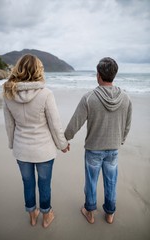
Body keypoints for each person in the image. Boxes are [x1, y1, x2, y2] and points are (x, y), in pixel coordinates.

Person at [3, 54, 70, 228]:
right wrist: (62, 145)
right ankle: (46, 216)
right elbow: (55, 124)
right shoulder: (46, 94)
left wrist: (12, 144)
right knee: (44, 184)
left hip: (21, 149)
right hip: (43, 150)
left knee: (28, 183)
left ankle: (32, 214)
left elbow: (9, 125)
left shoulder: (8, 93)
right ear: (38, 70)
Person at [65, 57, 132, 224]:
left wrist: (65, 139)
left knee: (91, 182)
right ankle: (109, 214)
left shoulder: (89, 98)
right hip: (113, 147)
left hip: (94, 148)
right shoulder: (126, 98)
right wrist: (120, 140)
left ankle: (90, 212)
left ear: (99, 75)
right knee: (111, 182)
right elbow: (127, 124)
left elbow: (75, 123)